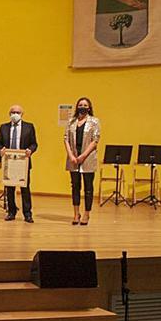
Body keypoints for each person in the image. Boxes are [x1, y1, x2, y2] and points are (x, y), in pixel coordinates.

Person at [0, 105, 38, 223]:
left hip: (23, 162)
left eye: (17, 112)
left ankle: (27, 214)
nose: (15, 114)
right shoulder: (3, 127)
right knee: (9, 189)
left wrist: (30, 150)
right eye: (13, 112)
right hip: (8, 162)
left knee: (25, 188)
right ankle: (11, 212)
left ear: (22, 114)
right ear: (9, 114)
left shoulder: (29, 127)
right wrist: (1, 149)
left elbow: (34, 144)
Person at [64, 97, 99, 226]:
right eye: (80, 105)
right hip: (73, 158)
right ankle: (76, 213)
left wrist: (83, 156)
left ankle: (86, 214)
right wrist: (71, 155)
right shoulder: (71, 121)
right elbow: (66, 139)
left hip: (88, 158)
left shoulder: (94, 121)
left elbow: (95, 140)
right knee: (75, 186)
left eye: (85, 105)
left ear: (89, 108)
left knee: (88, 188)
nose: (82, 107)